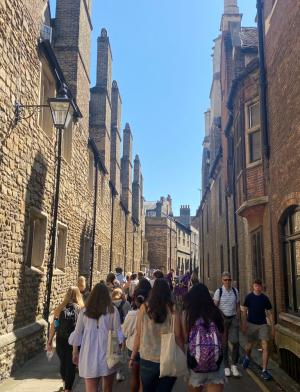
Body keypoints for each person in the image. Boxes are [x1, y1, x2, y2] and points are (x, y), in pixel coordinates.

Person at [130, 278, 181, 392]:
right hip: (168, 359)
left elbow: (139, 334)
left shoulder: (145, 308)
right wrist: (182, 356)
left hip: (148, 358)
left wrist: (133, 356)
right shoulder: (172, 309)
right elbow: (178, 336)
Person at [69, 283, 121, 392]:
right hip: (108, 351)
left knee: (91, 389)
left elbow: (77, 333)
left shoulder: (84, 311)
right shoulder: (112, 311)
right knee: (107, 389)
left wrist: (75, 352)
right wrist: (120, 348)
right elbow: (118, 334)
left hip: (89, 352)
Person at [183, 283, 225, 392]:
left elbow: (185, 337)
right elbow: (223, 336)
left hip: (196, 363)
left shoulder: (189, 315)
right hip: (216, 363)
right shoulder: (217, 313)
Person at [47, 286, 84, 392]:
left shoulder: (59, 308)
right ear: (78, 295)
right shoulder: (81, 308)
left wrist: (50, 341)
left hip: (61, 339)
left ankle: (64, 384)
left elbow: (54, 325)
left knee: (63, 362)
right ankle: (68, 388)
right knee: (71, 364)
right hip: (75, 341)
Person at [241, 279, 274, 381]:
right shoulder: (249, 297)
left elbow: (269, 313)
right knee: (249, 346)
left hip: (263, 325)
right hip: (251, 324)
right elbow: (244, 311)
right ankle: (247, 357)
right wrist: (244, 324)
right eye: (256, 286)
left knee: (265, 345)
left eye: (259, 286)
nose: (258, 288)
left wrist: (273, 327)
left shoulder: (265, 299)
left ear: (261, 287)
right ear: (253, 286)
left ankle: (264, 370)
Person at [122, 285, 151, 392]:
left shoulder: (131, 315)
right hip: (147, 348)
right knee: (143, 379)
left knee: (134, 376)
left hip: (132, 348)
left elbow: (124, 332)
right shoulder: (151, 314)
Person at [213, 271, 240, 377]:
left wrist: (239, 318)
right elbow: (215, 307)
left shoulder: (235, 291)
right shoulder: (218, 292)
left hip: (233, 318)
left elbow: (238, 305)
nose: (228, 282)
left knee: (235, 341)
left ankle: (234, 365)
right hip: (223, 319)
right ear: (222, 281)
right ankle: (226, 366)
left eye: (229, 280)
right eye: (225, 280)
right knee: (224, 344)